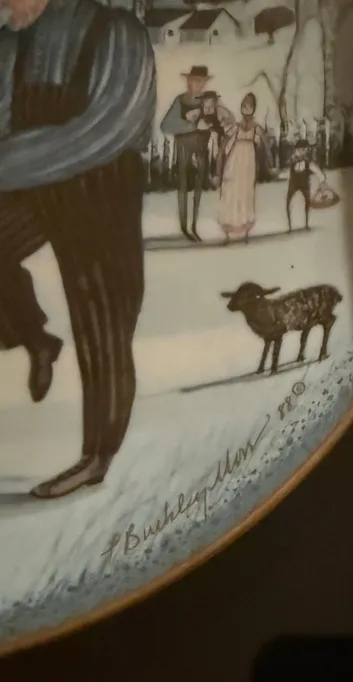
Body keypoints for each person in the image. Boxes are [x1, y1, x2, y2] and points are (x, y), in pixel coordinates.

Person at [0, 0, 156, 499]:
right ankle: (36, 338)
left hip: (100, 187)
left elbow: (110, 128)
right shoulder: (13, 42)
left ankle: (97, 455)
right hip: (31, 183)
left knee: (102, 318)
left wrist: (12, 162)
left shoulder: (117, 33)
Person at [160, 66, 233, 242]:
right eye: (194, 81)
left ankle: (194, 225)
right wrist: (193, 126)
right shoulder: (181, 100)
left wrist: (221, 121)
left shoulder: (210, 101)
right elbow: (166, 125)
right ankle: (184, 226)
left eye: (201, 81)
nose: (197, 84)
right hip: (184, 148)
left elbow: (228, 119)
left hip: (201, 149)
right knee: (183, 186)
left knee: (198, 186)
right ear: (188, 81)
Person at [216, 93, 269, 244]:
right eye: (244, 106)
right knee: (231, 193)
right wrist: (219, 168)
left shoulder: (256, 129)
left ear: (253, 109)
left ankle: (245, 230)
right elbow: (223, 147)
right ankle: (227, 231)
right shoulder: (235, 127)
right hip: (234, 164)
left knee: (245, 194)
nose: (246, 109)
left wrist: (267, 163)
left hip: (248, 166)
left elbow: (265, 146)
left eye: (249, 106)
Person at [286, 138, 325, 232]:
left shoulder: (307, 161)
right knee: (288, 203)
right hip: (295, 183)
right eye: (304, 149)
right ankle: (290, 226)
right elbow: (289, 169)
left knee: (307, 202)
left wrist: (322, 179)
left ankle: (306, 225)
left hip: (303, 183)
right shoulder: (293, 159)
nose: (305, 151)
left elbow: (316, 170)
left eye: (305, 150)